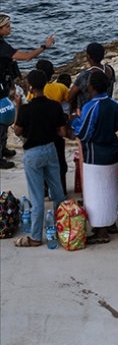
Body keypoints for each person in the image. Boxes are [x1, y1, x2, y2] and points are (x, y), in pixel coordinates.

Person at [11, 70, 67, 247]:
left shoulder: (26, 109)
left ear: (30, 87)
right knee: (57, 191)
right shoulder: (54, 106)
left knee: (36, 197)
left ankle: (36, 236)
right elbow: (62, 132)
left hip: (32, 152)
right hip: (50, 149)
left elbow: (17, 130)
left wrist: (18, 106)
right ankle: (61, 227)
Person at [71, 71, 118, 245]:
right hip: (112, 150)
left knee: (96, 193)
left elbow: (84, 133)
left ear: (91, 87)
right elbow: (117, 125)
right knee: (110, 188)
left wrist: (75, 121)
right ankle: (110, 224)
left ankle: (101, 231)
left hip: (95, 153)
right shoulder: (114, 104)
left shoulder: (90, 106)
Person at [0, 13, 56, 169]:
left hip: (3, 84)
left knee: (2, 118)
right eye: (7, 26)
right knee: (1, 118)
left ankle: (2, 148)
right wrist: (44, 46)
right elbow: (26, 57)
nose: (10, 28)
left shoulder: (2, 43)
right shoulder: (2, 46)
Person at [33, 59, 71, 193]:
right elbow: (68, 105)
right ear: (53, 73)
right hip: (56, 131)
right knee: (60, 161)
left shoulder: (32, 92)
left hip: (39, 133)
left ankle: (44, 189)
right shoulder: (61, 88)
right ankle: (62, 189)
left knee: (42, 164)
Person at [69, 43, 116, 114]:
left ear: (88, 56)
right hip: (105, 109)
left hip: (88, 111)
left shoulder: (85, 75)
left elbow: (70, 96)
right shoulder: (110, 70)